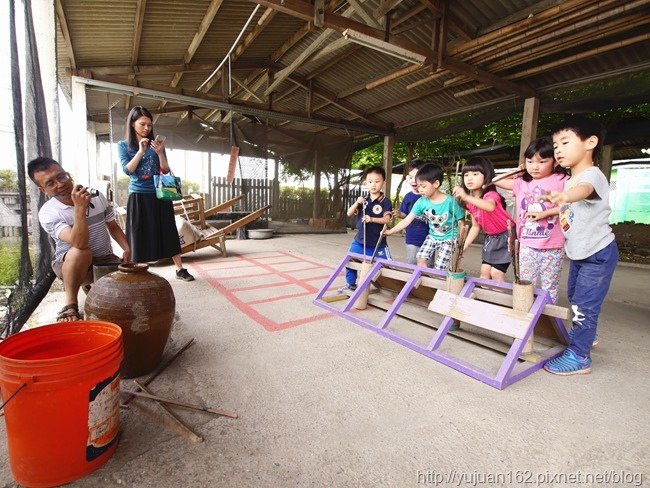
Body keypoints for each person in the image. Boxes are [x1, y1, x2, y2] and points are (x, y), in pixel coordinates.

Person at [541, 117, 618, 376]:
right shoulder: (568, 181)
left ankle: (580, 356)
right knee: (576, 298)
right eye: (555, 145)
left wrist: (565, 195)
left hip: (597, 252)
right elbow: (568, 206)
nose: (558, 150)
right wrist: (548, 211)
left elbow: (584, 192)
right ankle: (587, 336)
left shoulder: (591, 176)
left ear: (591, 142)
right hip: (579, 252)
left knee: (584, 305)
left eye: (565, 142)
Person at [27, 157, 131, 321]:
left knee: (127, 300)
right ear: (43, 190)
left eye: (61, 177)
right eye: (50, 183)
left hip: (105, 259)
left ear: (68, 175)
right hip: (70, 264)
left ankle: (93, 289)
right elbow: (79, 243)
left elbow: (113, 226)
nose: (60, 184)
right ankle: (71, 306)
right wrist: (80, 208)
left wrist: (127, 248)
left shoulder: (97, 196)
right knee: (80, 252)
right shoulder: (48, 212)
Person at [117, 106, 194, 281]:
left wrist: (159, 152)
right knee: (138, 232)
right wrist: (140, 152)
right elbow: (128, 170)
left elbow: (165, 170)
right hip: (138, 195)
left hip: (160, 193)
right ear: (132, 124)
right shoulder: (123, 145)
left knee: (168, 230)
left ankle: (180, 269)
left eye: (149, 125)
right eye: (142, 124)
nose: (146, 128)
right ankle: (136, 271)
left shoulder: (156, 145)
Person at [494, 138, 567, 303]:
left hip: (553, 245)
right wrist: (517, 172)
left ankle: (547, 319)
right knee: (526, 284)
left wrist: (545, 213)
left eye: (542, 161)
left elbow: (570, 205)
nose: (535, 166)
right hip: (526, 243)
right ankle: (527, 314)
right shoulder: (521, 183)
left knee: (550, 285)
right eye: (530, 161)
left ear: (555, 162)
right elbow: (495, 180)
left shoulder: (562, 180)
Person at [385, 163, 465, 270]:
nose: (420, 190)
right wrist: (391, 231)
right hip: (432, 237)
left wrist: (460, 240)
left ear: (436, 183)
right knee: (420, 258)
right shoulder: (421, 202)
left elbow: (461, 221)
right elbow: (407, 220)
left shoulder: (450, 201)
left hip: (449, 238)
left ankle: (438, 285)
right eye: (418, 186)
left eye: (423, 186)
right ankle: (425, 281)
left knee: (440, 266)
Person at [452, 156, 514, 281]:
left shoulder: (491, 195)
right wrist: (464, 246)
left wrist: (466, 197)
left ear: (486, 176)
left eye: (475, 174)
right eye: (466, 175)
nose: (469, 178)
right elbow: (476, 226)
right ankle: (484, 299)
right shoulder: (469, 203)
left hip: (507, 236)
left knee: (496, 273)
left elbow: (489, 207)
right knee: (484, 272)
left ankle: (498, 299)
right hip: (490, 238)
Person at [342, 165, 393, 291]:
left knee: (388, 268)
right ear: (366, 182)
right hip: (360, 241)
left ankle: (391, 288)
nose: (373, 185)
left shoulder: (385, 201)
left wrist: (372, 219)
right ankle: (351, 284)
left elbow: (387, 220)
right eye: (370, 182)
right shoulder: (363, 200)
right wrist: (357, 202)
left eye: (377, 181)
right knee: (350, 261)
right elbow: (349, 213)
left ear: (383, 182)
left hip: (378, 244)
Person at [396, 159, 433, 266]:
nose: (413, 180)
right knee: (412, 263)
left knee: (428, 266)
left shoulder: (430, 197)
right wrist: (399, 214)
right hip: (412, 236)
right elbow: (405, 215)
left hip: (430, 237)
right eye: (410, 177)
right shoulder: (408, 197)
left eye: (416, 177)